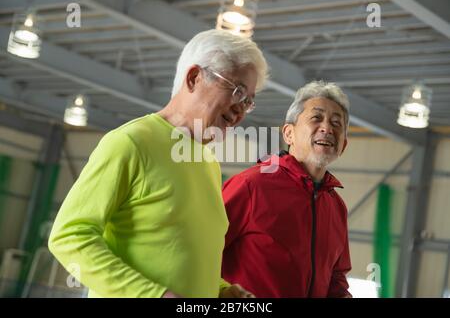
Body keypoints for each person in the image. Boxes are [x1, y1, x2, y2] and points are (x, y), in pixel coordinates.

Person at [48, 29, 268, 298]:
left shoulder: (208, 163)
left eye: (249, 100)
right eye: (237, 91)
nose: (241, 108)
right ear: (194, 78)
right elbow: (69, 237)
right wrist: (151, 295)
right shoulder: (131, 142)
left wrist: (221, 290)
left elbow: (184, 257)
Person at [221, 80, 352, 298]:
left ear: (343, 145)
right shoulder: (252, 185)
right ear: (288, 134)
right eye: (316, 118)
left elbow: (336, 278)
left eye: (337, 123)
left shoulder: (336, 207)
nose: (328, 128)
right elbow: (201, 251)